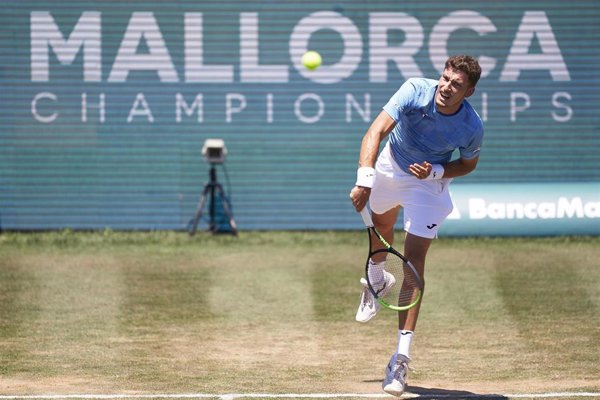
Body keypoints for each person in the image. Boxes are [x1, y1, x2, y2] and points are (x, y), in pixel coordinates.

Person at [349, 55, 483, 397]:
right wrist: (365, 180)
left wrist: (437, 172)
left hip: (427, 184)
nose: (446, 87)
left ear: (467, 92)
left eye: (456, 84)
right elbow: (375, 130)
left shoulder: (471, 127)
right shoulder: (414, 89)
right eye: (445, 78)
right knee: (380, 230)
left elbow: (468, 164)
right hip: (392, 165)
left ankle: (400, 359)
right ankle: (377, 280)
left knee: (414, 265)